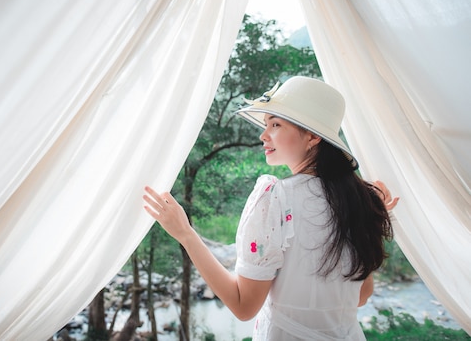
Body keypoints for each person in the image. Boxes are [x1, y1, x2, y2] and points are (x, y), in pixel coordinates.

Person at [143, 76, 399, 340]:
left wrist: (186, 234)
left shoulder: (275, 198)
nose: (263, 135)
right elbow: (361, 295)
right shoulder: (359, 200)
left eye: (275, 124)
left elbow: (244, 307)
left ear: (312, 136)